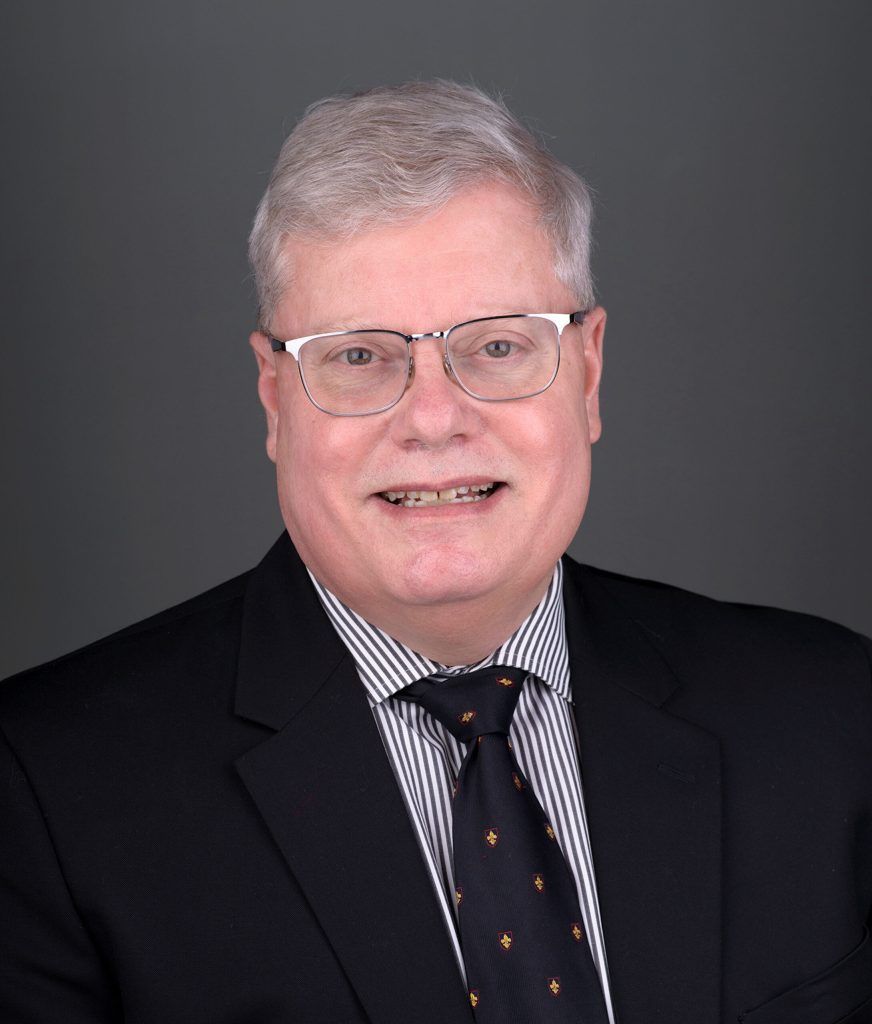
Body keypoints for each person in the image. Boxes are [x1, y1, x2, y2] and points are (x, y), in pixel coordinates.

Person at [1, 81, 870, 1024]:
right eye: (359, 356)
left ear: (587, 374)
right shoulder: (46, 793)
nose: (433, 419)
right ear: (274, 398)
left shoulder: (831, 719)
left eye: (497, 347)